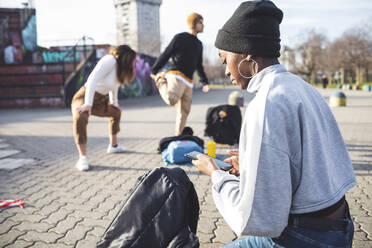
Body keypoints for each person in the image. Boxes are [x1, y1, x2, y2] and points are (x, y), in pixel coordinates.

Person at [192, 1, 356, 247]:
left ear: (246, 54)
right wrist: (250, 167)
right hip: (339, 227)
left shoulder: (266, 103)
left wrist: (216, 175)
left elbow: (256, 219)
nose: (225, 70)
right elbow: (303, 166)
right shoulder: (300, 87)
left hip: (305, 237)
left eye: (225, 59)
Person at [71, 45, 137, 171]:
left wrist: (114, 104)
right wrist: (88, 104)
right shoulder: (110, 60)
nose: (134, 63)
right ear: (126, 58)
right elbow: (92, 79)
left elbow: (114, 88)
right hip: (84, 96)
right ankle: (82, 157)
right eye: (133, 60)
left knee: (117, 113)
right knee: (81, 117)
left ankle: (113, 146)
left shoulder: (119, 69)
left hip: (101, 100)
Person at [150, 13, 210, 136]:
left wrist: (205, 81)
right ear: (194, 23)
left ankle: (178, 136)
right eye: (201, 22)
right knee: (172, 99)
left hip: (188, 81)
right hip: (176, 75)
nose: (203, 25)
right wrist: (154, 70)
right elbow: (166, 53)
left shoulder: (199, 44)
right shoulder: (180, 37)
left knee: (184, 112)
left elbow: (199, 65)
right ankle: (161, 79)